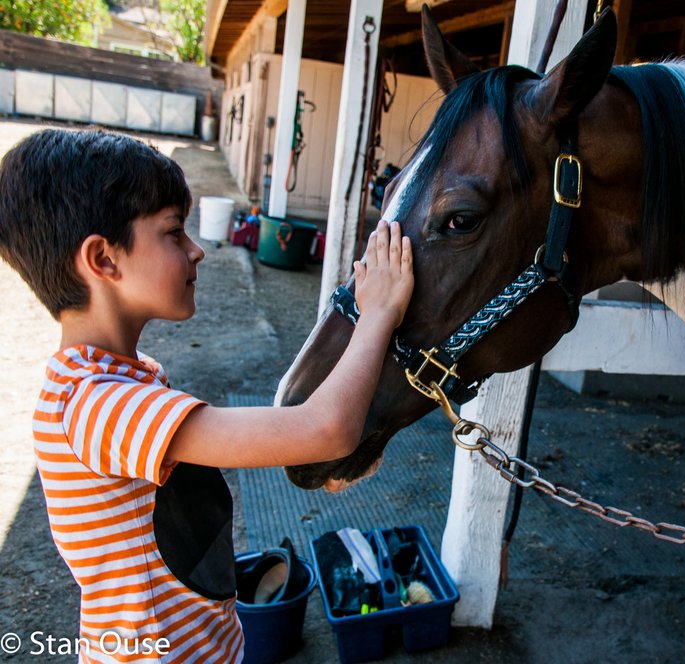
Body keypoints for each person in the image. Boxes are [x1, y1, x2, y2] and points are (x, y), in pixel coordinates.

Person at [0, 128, 413, 662]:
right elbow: (325, 430)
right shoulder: (95, 405)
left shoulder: (131, 376)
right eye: (174, 233)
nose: (197, 250)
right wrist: (379, 314)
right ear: (103, 259)